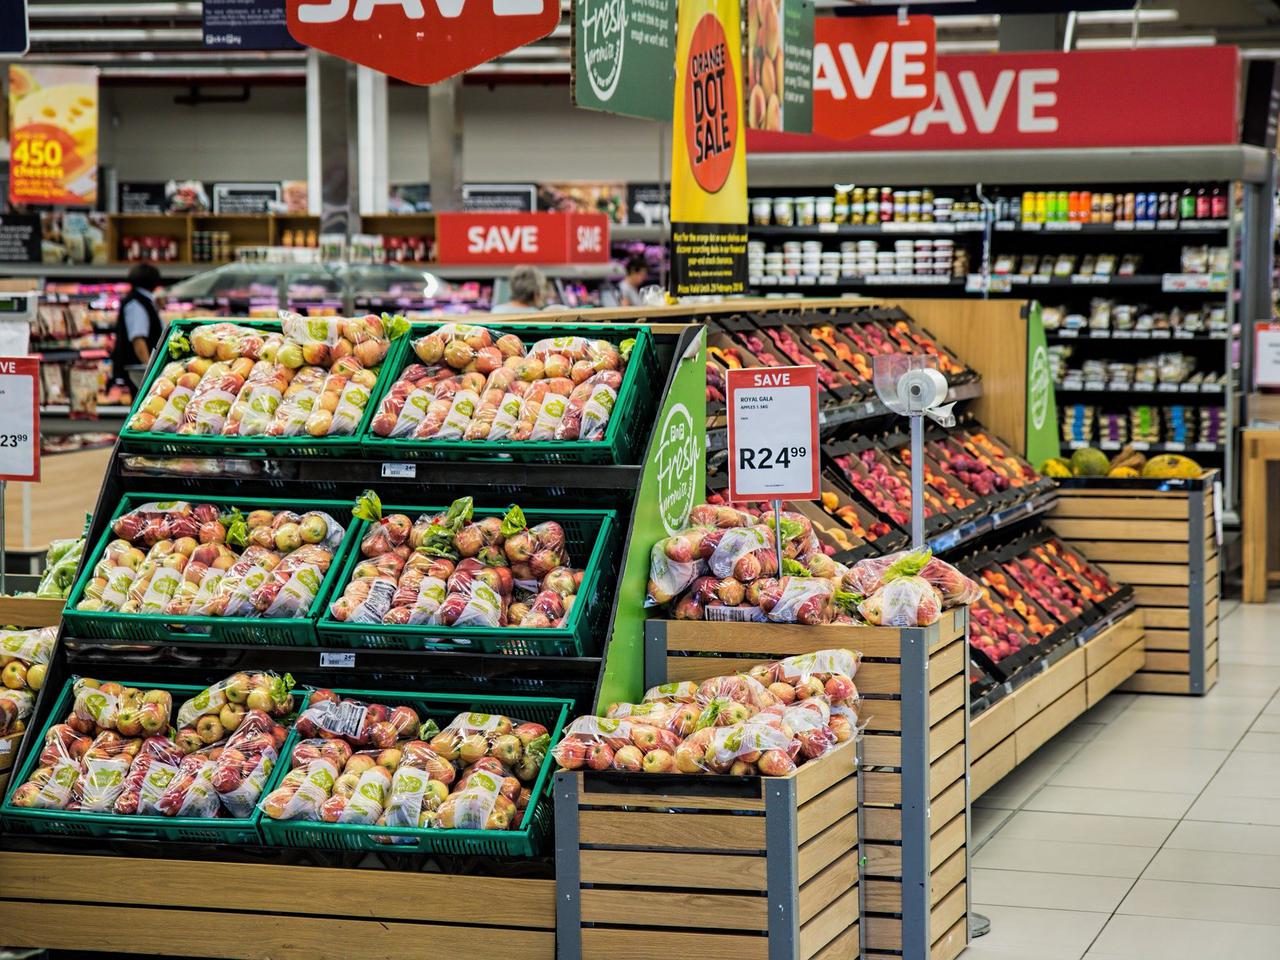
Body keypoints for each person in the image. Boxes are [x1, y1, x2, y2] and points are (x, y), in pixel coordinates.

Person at [111, 263, 163, 395]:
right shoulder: (136, 303)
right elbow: (138, 339)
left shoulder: (143, 301)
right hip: (138, 372)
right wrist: (149, 370)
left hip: (139, 370)